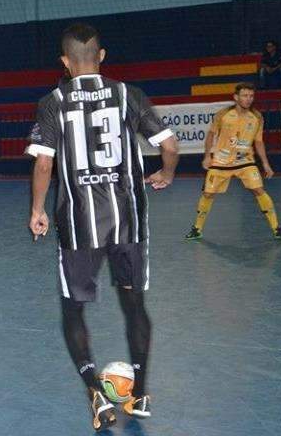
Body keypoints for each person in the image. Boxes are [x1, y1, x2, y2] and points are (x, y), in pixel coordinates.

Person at [27, 23, 179, 431]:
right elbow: (169, 145)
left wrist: (38, 209)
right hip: (128, 221)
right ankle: (141, 391)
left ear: (64, 61)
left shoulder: (52, 101)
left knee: (72, 310)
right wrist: (165, 174)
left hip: (79, 225)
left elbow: (44, 162)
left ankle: (95, 393)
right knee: (134, 306)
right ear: (102, 56)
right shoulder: (128, 93)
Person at [185, 82, 281, 241]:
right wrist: (207, 156)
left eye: (251, 96)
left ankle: (277, 228)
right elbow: (210, 135)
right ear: (236, 97)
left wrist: (266, 164)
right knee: (208, 193)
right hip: (221, 162)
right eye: (245, 95)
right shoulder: (222, 114)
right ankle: (197, 229)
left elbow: (259, 142)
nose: (248, 99)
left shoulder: (257, 117)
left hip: (246, 161)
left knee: (259, 190)